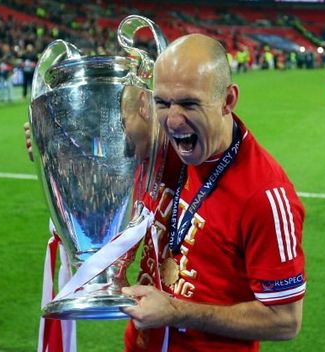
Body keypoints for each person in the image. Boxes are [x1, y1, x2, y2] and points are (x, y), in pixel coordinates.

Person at [121, 34, 306, 352]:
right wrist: (50, 144)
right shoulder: (167, 153)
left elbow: (285, 319)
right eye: (163, 103)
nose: (174, 120)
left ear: (228, 100)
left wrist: (176, 311)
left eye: (190, 103)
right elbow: (110, 151)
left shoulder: (264, 197)